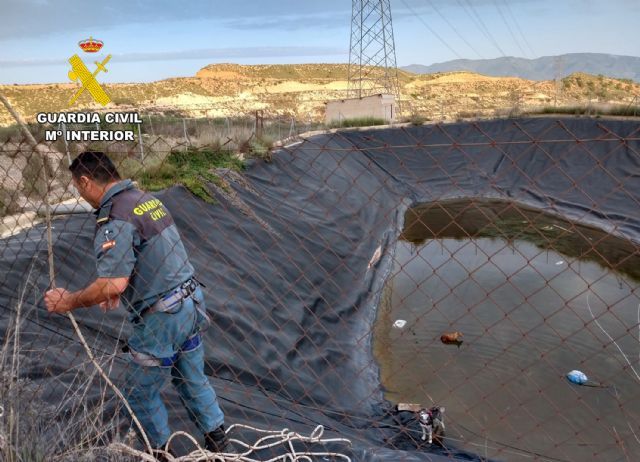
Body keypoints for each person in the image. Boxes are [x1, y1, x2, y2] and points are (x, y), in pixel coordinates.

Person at [45, 151, 228, 460]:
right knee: (192, 378)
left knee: (139, 393)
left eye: (77, 187)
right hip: (191, 302)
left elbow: (112, 282)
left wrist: (70, 301)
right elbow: (154, 255)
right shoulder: (144, 199)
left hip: (164, 319)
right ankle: (219, 443)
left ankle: (162, 454)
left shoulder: (114, 217)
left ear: (86, 181)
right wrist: (121, 285)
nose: (79, 193)